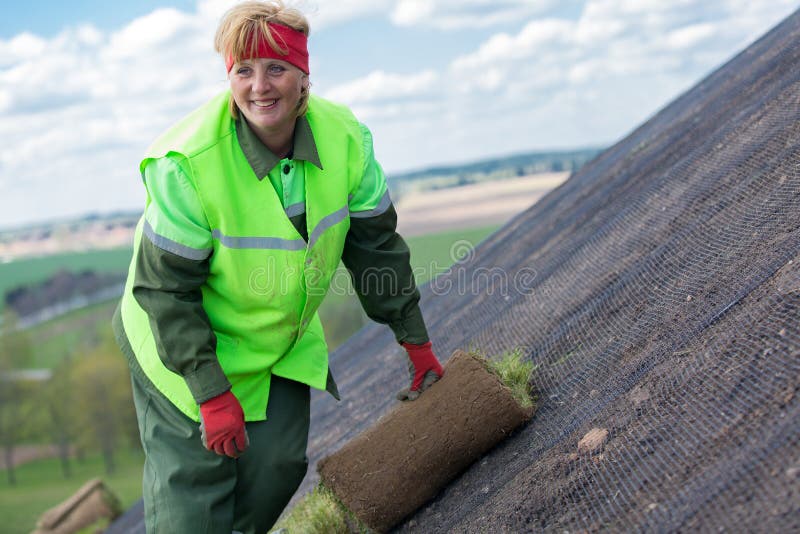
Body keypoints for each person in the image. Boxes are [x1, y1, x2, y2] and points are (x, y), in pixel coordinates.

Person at [111, 1, 444, 532]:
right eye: (243, 70)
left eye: (276, 68)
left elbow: (376, 249)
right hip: (174, 344)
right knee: (195, 501)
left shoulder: (346, 141)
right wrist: (210, 391)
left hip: (271, 337)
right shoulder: (189, 166)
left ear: (303, 75)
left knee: (276, 468)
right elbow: (165, 291)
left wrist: (414, 338)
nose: (259, 86)